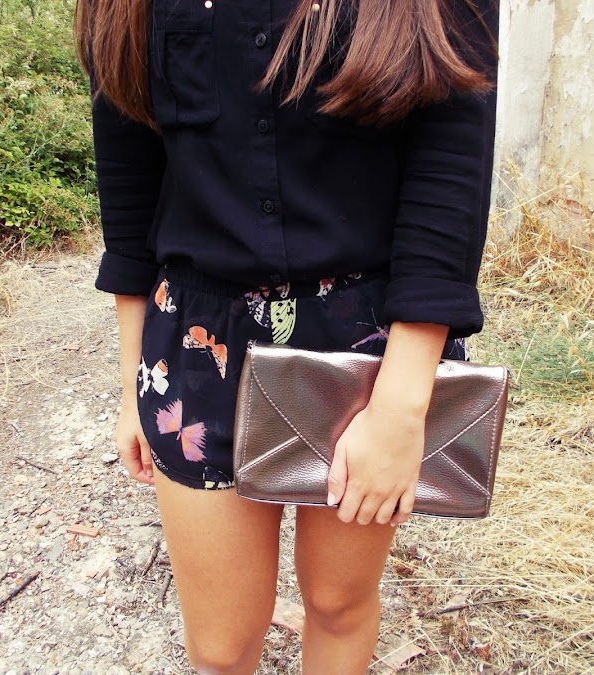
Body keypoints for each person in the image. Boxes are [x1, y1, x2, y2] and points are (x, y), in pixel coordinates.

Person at [75, 0, 498, 672]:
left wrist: (401, 406)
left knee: (338, 602)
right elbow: (127, 178)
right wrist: (132, 383)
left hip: (365, 344)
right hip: (196, 340)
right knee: (219, 646)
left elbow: (452, 162)